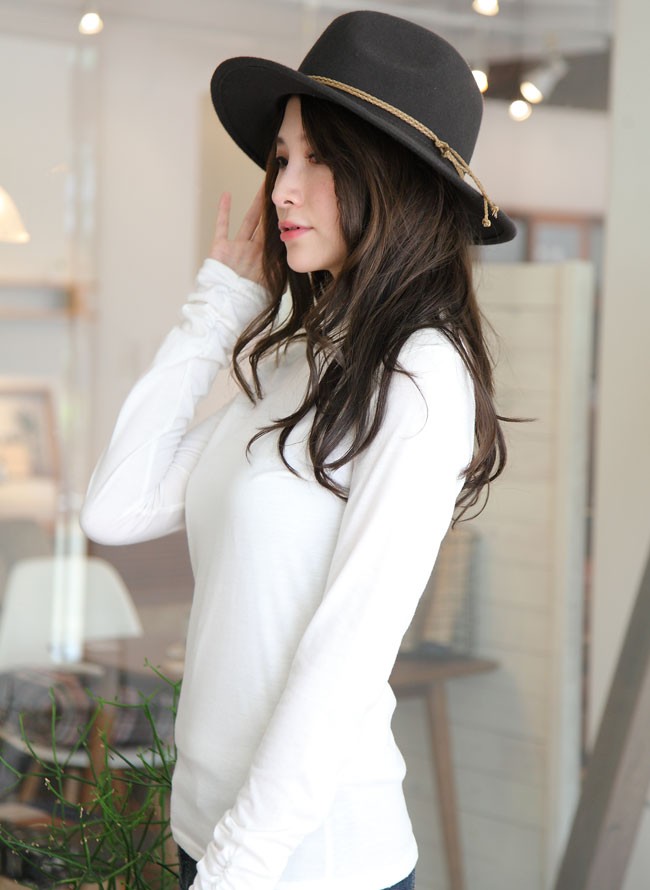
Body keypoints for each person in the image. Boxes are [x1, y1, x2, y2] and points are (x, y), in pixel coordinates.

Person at [80, 10, 516, 890]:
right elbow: (116, 507)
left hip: (306, 862)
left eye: (319, 159)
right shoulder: (302, 356)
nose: (283, 188)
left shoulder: (422, 375)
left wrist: (236, 868)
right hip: (211, 834)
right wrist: (215, 306)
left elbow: (345, 660)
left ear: (390, 178)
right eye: (282, 157)